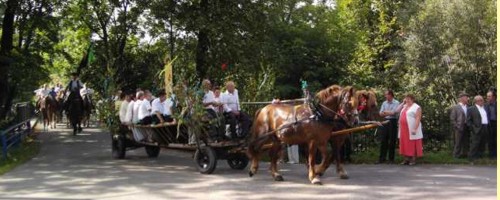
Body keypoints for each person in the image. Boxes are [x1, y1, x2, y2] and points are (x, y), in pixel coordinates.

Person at [398, 94, 423, 165]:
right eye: (406, 99)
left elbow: (418, 118)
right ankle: (406, 159)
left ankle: (413, 159)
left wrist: (415, 128)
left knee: (412, 144)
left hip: (411, 128)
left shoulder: (417, 107)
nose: (407, 100)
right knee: (404, 144)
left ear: (413, 99)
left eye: (409, 99)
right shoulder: (404, 106)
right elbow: (397, 111)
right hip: (403, 129)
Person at [377, 89, 400, 164]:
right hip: (384, 121)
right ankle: (382, 158)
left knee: (392, 141)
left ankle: (391, 159)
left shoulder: (396, 102)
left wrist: (386, 112)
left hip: (392, 122)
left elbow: (394, 113)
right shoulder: (384, 103)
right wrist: (387, 113)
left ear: (391, 95)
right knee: (383, 140)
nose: (385, 96)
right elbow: (380, 113)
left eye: (386, 94)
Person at [467, 95, 489, 161]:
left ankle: (480, 156)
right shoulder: (471, 109)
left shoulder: (485, 107)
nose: (483, 101)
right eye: (481, 100)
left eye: (482, 100)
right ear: (477, 101)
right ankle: (472, 157)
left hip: (485, 127)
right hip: (477, 128)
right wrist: (473, 128)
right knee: (475, 143)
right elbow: (468, 120)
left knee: (483, 142)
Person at [450, 92, 470, 159]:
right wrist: (457, 126)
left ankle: (465, 154)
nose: (467, 98)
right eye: (466, 97)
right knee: (458, 142)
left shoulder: (467, 107)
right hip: (459, 127)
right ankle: (455, 156)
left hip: (466, 126)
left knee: (466, 141)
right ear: (461, 98)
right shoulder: (456, 107)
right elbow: (452, 118)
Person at [485, 90, 496, 158]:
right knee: (490, 139)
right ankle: (491, 155)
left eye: (489, 96)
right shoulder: (485, 105)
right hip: (489, 124)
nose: (488, 97)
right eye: (487, 96)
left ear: (494, 97)